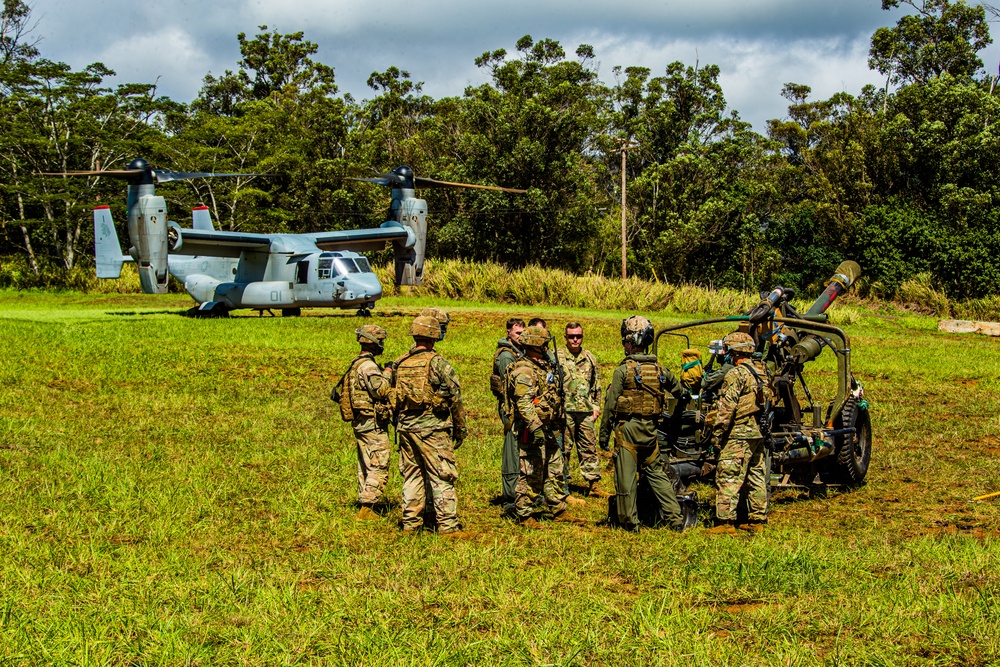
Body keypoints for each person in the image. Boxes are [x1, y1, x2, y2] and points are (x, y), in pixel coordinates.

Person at [599, 315, 685, 532]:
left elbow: (610, 405)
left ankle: (629, 523)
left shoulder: (623, 371)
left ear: (631, 342)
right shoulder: (660, 371)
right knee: (658, 476)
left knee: (625, 480)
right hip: (650, 432)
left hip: (628, 432)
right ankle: (675, 518)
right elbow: (680, 392)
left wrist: (603, 435)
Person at [385, 314, 468, 535]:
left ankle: (410, 524)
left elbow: (391, 394)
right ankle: (448, 526)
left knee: (412, 475)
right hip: (432, 429)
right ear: (433, 336)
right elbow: (454, 394)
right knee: (442, 474)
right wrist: (460, 427)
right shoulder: (436, 362)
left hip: (405, 427)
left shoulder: (400, 362)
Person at [707, 332, 774, 534]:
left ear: (734, 352)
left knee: (728, 475)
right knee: (756, 475)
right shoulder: (762, 371)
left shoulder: (736, 374)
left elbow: (726, 409)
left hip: (739, 432)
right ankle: (757, 520)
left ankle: (725, 522)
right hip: (758, 431)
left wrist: (717, 436)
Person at [505, 325, 571, 526]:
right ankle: (524, 513)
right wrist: (535, 428)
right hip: (532, 430)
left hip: (548, 426)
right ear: (535, 345)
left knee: (555, 467)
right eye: (544, 343)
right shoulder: (524, 370)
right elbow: (523, 403)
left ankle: (558, 507)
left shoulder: (542, 366)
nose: (547, 347)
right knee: (531, 471)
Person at [332, 324, 393, 520]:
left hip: (360, 421)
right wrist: (389, 373)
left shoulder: (356, 363)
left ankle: (363, 501)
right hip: (370, 421)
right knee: (379, 462)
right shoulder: (368, 366)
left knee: (365, 462)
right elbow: (380, 390)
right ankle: (368, 507)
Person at [557, 322, 609, 498]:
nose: (575, 339)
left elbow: (597, 385)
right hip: (565, 412)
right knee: (563, 450)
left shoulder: (590, 358)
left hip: (585, 412)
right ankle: (563, 486)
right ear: (565, 337)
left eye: (578, 336)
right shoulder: (557, 357)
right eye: (571, 336)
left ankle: (593, 485)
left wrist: (596, 408)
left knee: (589, 448)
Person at [492, 318, 525, 504]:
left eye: (523, 332)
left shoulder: (519, 352)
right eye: (518, 333)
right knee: (512, 451)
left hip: (519, 406)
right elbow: (510, 386)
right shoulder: (506, 355)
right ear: (508, 333)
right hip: (510, 408)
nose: (521, 336)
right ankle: (510, 495)